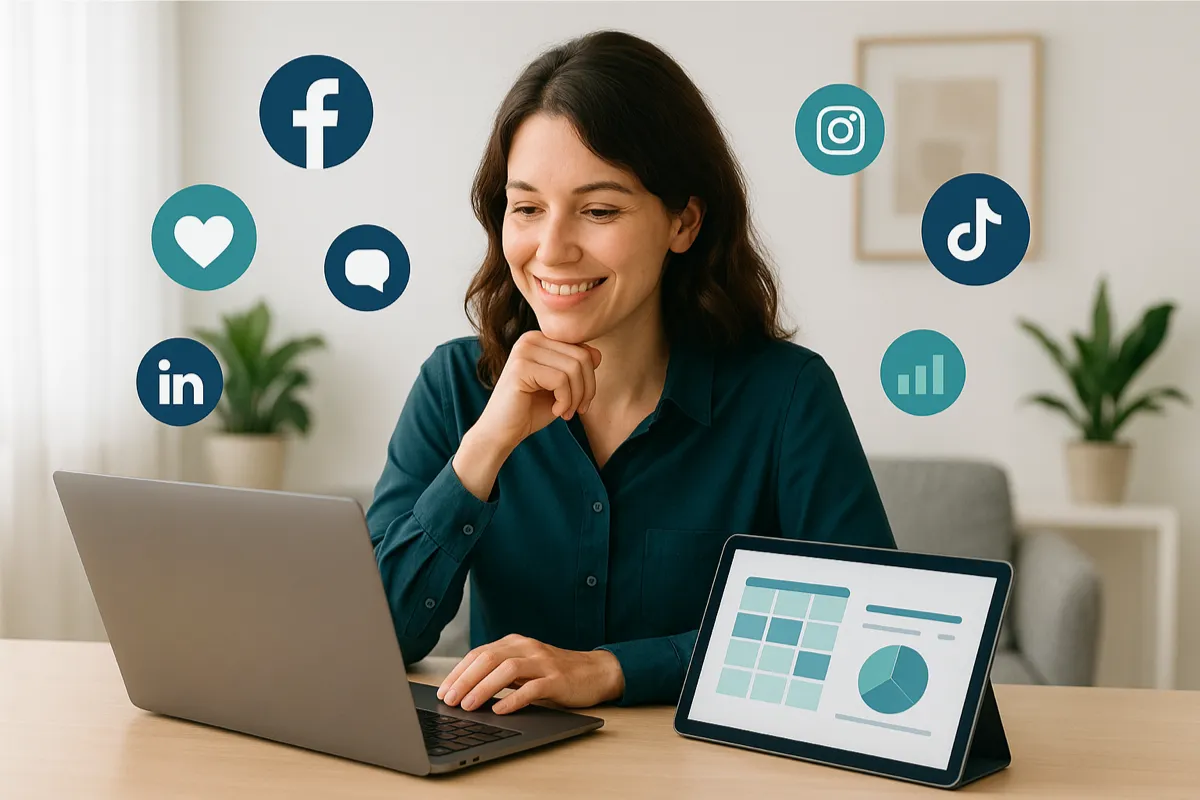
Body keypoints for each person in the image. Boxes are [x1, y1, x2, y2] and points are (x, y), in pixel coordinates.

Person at [366, 29, 896, 715]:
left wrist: (615, 671)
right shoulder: (454, 385)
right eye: (526, 208)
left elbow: (866, 634)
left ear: (683, 222)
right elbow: (377, 637)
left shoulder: (785, 396)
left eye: (599, 210)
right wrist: (486, 446)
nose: (552, 249)